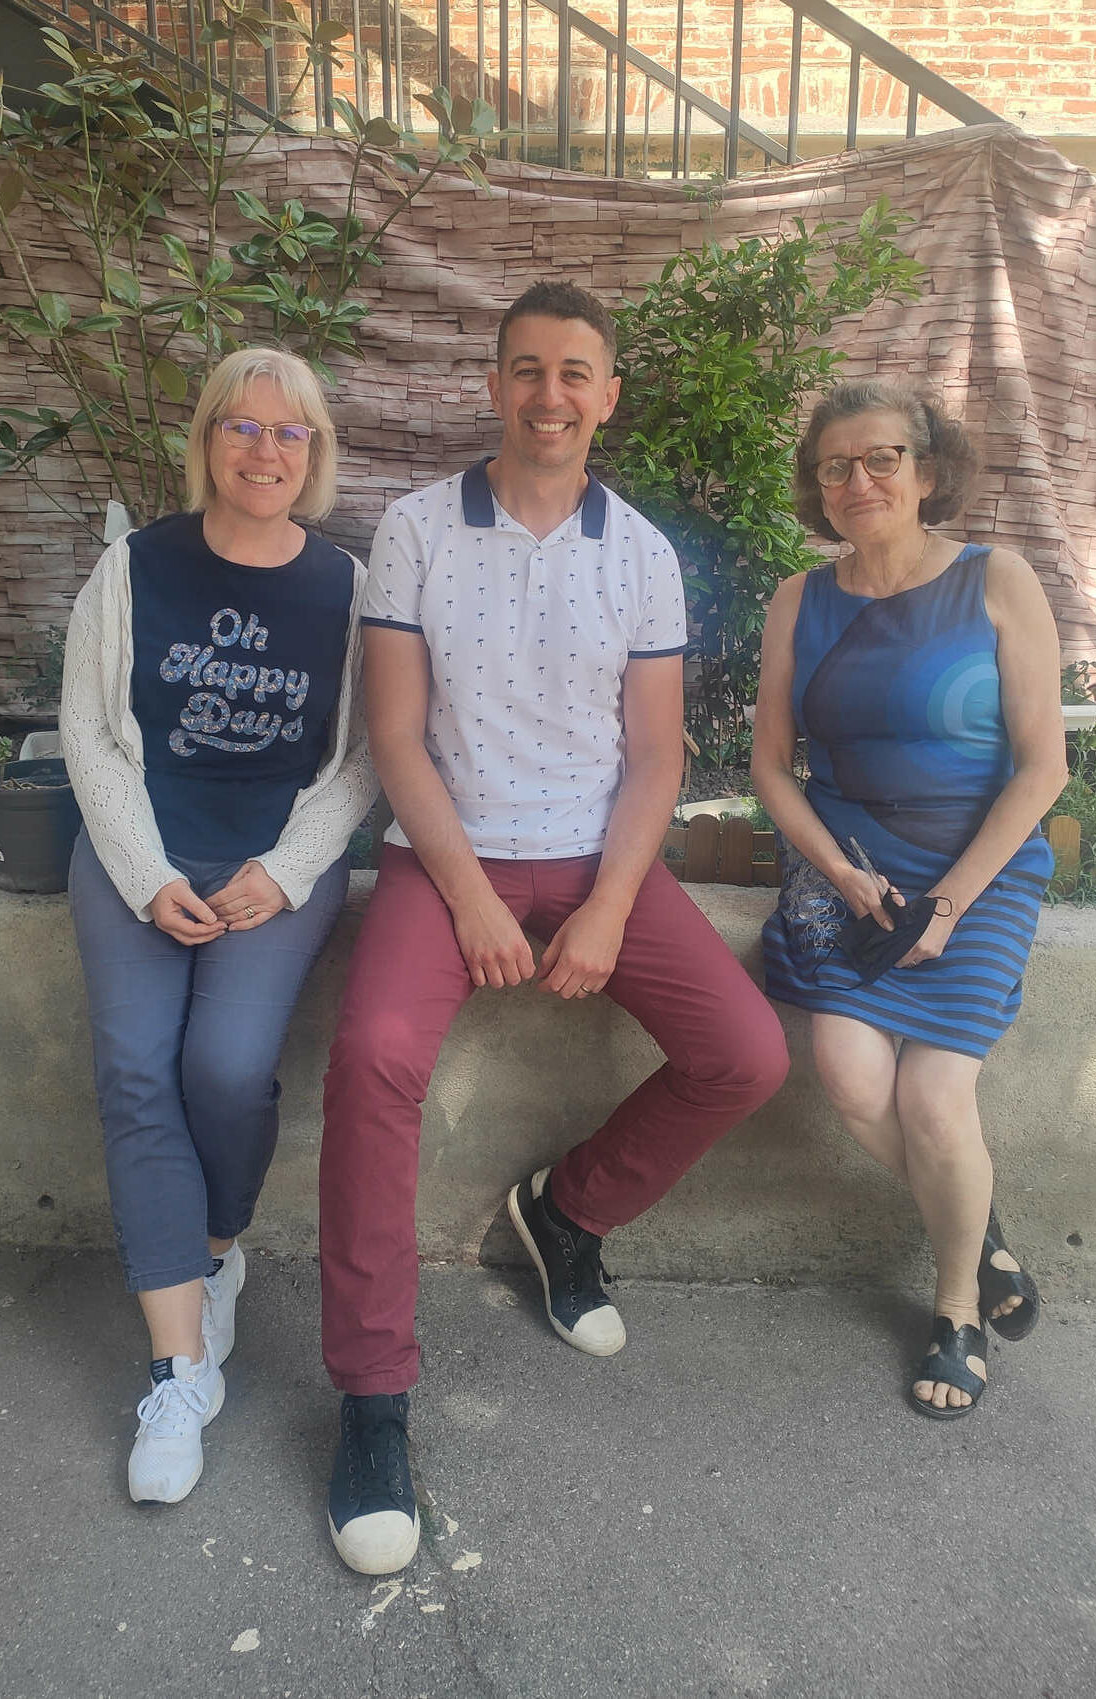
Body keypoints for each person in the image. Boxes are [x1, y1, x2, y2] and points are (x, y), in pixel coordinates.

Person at [318, 280, 790, 1575]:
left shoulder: (641, 554)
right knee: (371, 1059)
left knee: (745, 1053)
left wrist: (607, 907)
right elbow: (395, 738)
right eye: (526, 369)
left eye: (574, 372)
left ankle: (567, 1210)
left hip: (595, 861)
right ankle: (371, 1397)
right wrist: (471, 894)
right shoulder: (415, 530)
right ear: (493, 385)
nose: (549, 394)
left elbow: (655, 758)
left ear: (607, 396)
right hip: (445, 859)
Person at [61, 345, 374, 1505]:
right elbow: (88, 732)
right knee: (137, 1073)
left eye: (289, 432)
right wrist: (146, 875)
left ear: (314, 453)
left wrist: (284, 873)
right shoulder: (133, 568)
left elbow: (363, 758)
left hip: (270, 867)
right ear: (205, 442)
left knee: (227, 1068)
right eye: (241, 426)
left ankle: (212, 1250)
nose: (263, 450)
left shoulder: (345, 588)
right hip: (139, 854)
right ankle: (177, 1372)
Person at [751, 378, 1068, 1420]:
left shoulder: (995, 579)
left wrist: (949, 903)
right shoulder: (799, 599)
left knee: (934, 1098)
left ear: (926, 470)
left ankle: (956, 1306)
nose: (858, 481)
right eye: (835, 466)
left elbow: (1043, 768)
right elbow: (769, 768)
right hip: (848, 868)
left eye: (881, 458)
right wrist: (840, 873)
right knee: (850, 1075)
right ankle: (977, 1227)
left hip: (975, 870)